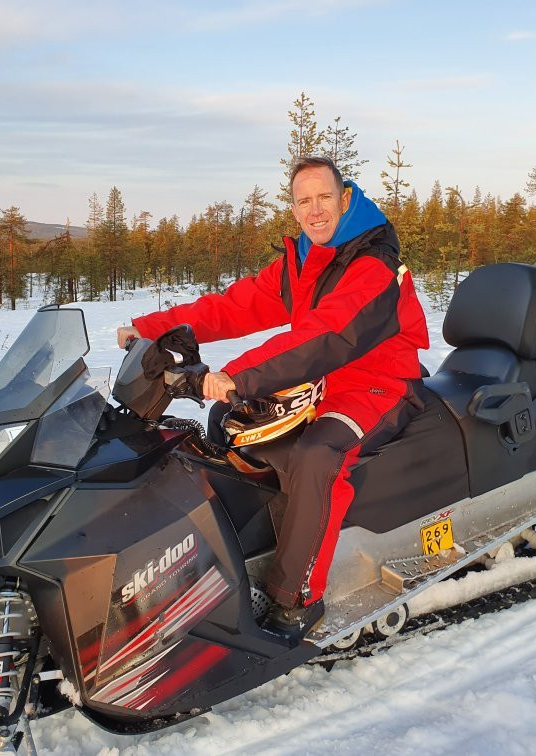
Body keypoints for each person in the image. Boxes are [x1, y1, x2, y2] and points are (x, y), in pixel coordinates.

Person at [117, 156, 429, 640]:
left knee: (316, 455)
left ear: (346, 199)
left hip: (376, 384)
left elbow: (329, 336)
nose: (316, 210)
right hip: (319, 378)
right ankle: (235, 553)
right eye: (304, 201)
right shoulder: (306, 259)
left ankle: (297, 598)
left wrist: (235, 375)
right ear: (294, 208)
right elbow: (235, 305)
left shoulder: (373, 263)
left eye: (325, 197)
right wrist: (151, 331)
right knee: (228, 422)